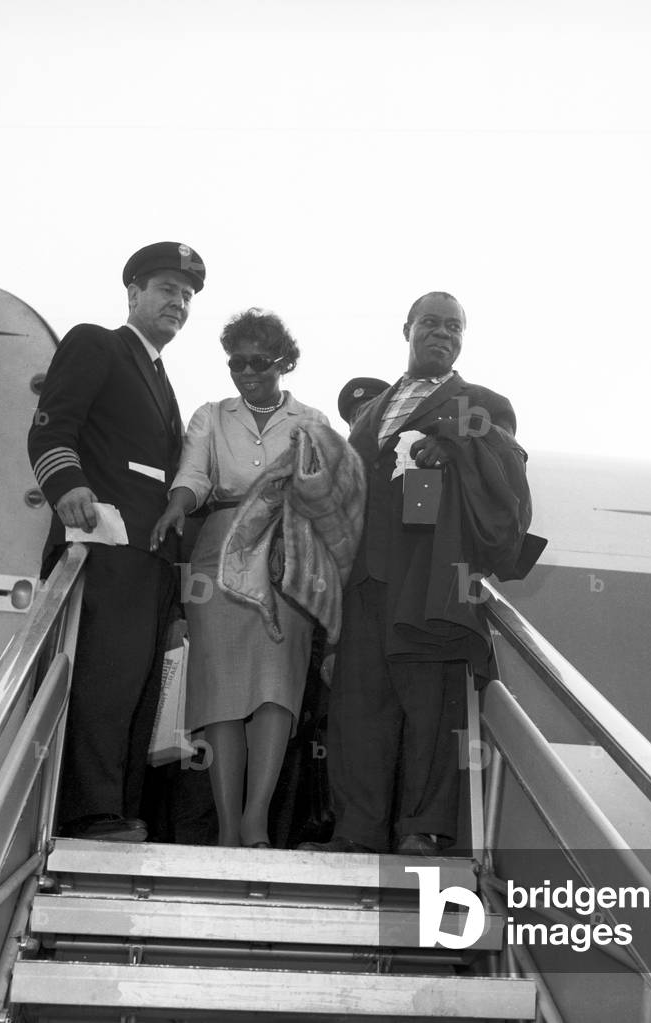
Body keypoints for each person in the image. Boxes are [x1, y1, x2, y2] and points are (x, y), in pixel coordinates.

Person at [303, 291, 533, 855]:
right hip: (364, 580)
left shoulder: (481, 402)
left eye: (454, 327)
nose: (443, 334)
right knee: (358, 709)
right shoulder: (371, 411)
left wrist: (450, 444)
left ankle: (424, 830)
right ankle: (356, 831)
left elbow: (509, 461)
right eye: (431, 323)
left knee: (433, 709)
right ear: (406, 328)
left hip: (433, 578)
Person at [150, 309, 361, 848]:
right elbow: (194, 475)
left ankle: (257, 822)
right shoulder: (210, 415)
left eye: (257, 362)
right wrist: (177, 506)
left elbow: (335, 495)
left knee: (277, 692)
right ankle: (225, 825)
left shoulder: (313, 422)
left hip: (287, 560)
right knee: (220, 695)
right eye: (235, 362)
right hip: (218, 550)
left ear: (283, 363)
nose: (245, 372)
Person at [27, 240, 206, 842]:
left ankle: (119, 810)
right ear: (133, 294)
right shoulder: (97, 343)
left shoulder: (163, 379)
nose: (177, 302)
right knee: (102, 682)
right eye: (166, 290)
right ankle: (85, 813)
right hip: (101, 546)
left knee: (134, 689)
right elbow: (52, 424)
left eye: (185, 296)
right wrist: (67, 486)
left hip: (148, 561)